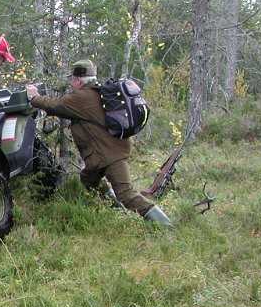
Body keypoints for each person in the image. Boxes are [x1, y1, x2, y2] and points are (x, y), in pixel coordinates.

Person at [25, 59, 172, 225]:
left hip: (110, 154)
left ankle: (166, 226)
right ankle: (115, 210)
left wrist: (34, 97)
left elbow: (54, 105)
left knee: (126, 194)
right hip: (101, 155)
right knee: (88, 179)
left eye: (72, 79)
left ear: (78, 80)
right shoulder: (96, 92)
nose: (71, 83)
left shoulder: (82, 97)